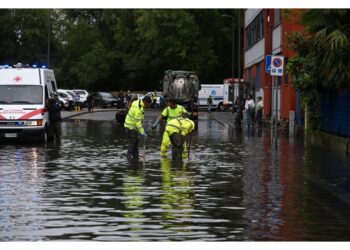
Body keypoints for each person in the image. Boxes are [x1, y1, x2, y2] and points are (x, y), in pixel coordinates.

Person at [124, 95, 152, 161]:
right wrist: (142, 132)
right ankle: (129, 158)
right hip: (131, 126)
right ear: (145, 102)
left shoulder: (138, 102)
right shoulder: (138, 109)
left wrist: (140, 131)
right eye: (148, 104)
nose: (148, 106)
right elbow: (137, 123)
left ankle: (135, 157)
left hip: (130, 125)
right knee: (132, 142)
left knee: (136, 141)